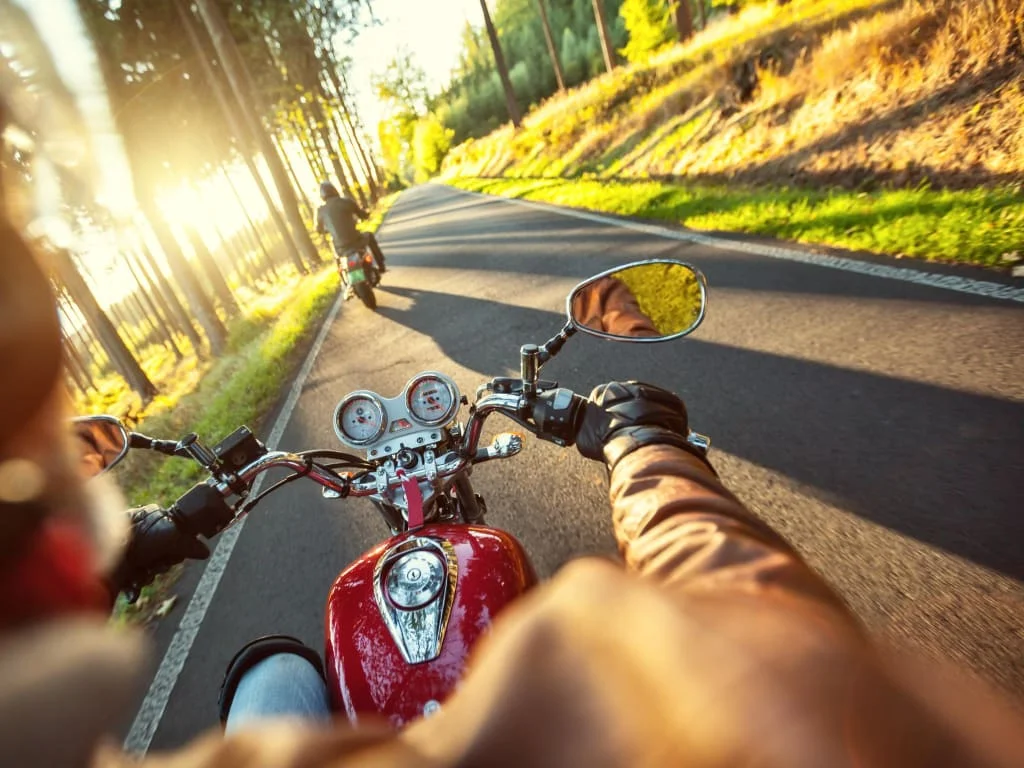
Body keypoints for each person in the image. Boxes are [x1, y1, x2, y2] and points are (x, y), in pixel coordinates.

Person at [3, 9, 1024, 767]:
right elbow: (766, 667)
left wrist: (125, 551)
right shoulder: (664, 698)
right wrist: (648, 447)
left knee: (270, 673)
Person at [315, 181, 386, 274]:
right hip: (356, 241)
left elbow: (318, 230)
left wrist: (327, 230)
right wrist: (367, 213)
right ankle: (381, 266)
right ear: (334, 190)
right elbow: (362, 215)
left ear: (322, 195)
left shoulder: (320, 210)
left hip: (340, 248)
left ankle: (343, 279)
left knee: (337, 258)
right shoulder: (346, 202)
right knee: (369, 236)